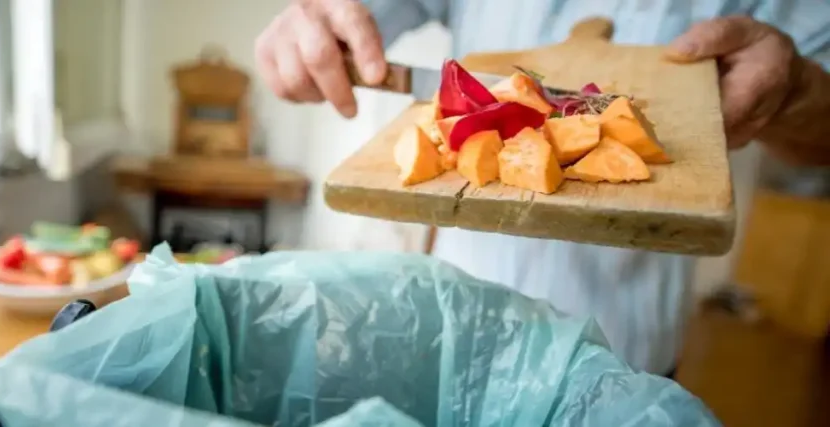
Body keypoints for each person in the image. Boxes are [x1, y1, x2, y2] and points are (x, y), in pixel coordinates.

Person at [254, 0, 830, 377]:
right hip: (455, 336)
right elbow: (345, 18)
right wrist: (309, 27)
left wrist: (799, 91)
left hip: (627, 358)